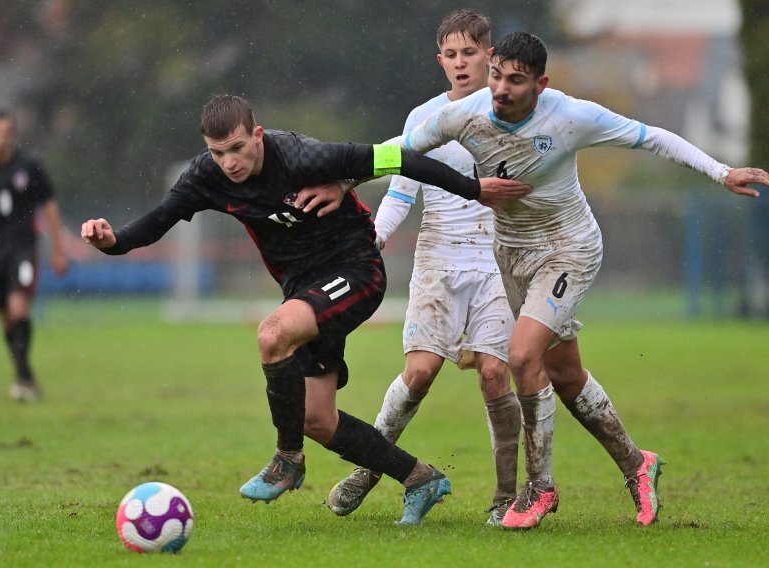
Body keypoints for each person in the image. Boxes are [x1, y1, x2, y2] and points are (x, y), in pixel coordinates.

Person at [301, 33, 769, 529]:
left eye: (515, 81)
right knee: (565, 376)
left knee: (521, 355)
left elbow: (651, 135)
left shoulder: (572, 116)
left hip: (568, 250)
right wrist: (343, 181)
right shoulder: (467, 113)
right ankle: (638, 464)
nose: (500, 89)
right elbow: (399, 150)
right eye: (498, 75)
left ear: (541, 84)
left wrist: (721, 173)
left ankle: (538, 490)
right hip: (511, 253)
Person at [80, 94, 531, 525]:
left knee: (272, 334)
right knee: (317, 418)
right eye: (218, 153)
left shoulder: (303, 157)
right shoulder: (207, 176)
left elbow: (401, 159)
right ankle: (420, 479)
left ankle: (288, 459)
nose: (229, 162)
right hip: (304, 287)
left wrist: (474, 189)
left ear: (257, 135)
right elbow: (157, 222)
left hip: (355, 269)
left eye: (237, 148)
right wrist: (113, 241)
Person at [323, 10, 524, 527]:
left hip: (496, 257)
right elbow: (400, 191)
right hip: (437, 258)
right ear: (441, 61)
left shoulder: (517, 114)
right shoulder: (425, 117)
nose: (461, 64)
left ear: (490, 56)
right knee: (419, 372)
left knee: (495, 373)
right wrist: (374, 238)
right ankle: (369, 472)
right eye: (451, 55)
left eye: (470, 53)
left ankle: (506, 498)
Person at [0, 108, 68, 401]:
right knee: (5, 315)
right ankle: (25, 373)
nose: (0, 140)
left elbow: (49, 207)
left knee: (18, 306)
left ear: (14, 136)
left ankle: (23, 377)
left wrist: (59, 250)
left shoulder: (30, 166)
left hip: (24, 247)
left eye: (6, 134)